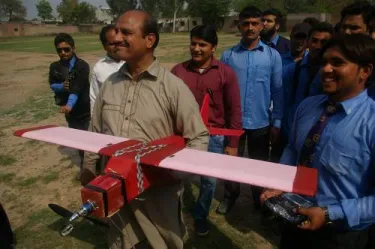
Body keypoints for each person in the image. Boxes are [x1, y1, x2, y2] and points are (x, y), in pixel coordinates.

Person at [81, 10, 209, 249]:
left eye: (126, 32)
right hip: (116, 195)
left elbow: (199, 137)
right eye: (116, 31)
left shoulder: (173, 88)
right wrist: (89, 169)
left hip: (158, 199)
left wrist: (173, 175)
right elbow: (94, 133)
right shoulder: (109, 84)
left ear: (149, 40)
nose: (116, 38)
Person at [261, 33, 375, 249]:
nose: (326, 70)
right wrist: (280, 183)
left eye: (337, 63)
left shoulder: (371, 122)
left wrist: (329, 213)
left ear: (365, 71)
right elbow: (293, 150)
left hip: (342, 236)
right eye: (325, 62)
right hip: (295, 219)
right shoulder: (307, 107)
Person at [171, 25, 242, 236]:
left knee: (209, 181)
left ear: (213, 48)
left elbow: (234, 109)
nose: (197, 48)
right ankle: (174, 215)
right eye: (193, 43)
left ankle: (200, 216)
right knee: (176, 177)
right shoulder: (178, 71)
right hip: (182, 134)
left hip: (214, 136)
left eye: (203, 44)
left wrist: (233, 144)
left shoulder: (225, 73)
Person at [218, 6, 283, 214]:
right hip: (233, 124)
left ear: (262, 25)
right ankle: (230, 195)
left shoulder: (272, 56)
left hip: (261, 121)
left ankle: (259, 199)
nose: (250, 28)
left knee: (259, 164)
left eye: (255, 23)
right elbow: (220, 92)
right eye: (246, 23)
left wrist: (277, 122)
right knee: (230, 163)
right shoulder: (228, 56)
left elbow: (277, 91)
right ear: (239, 25)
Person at [280, 22, 334, 148]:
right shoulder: (292, 70)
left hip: (319, 136)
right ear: (308, 42)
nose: (318, 46)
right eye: (314, 41)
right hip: (290, 132)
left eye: (324, 42)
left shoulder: (333, 75)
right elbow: (285, 102)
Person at [48, 33, 90, 177]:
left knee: (91, 139)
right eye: (59, 50)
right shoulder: (54, 66)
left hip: (85, 110)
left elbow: (77, 88)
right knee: (79, 140)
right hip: (70, 113)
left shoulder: (82, 66)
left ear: (73, 48)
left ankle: (95, 168)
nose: (63, 53)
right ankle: (85, 168)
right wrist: (62, 87)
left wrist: (70, 104)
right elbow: (52, 85)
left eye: (66, 49)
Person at [90, 24, 125, 114]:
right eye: (112, 44)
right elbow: (95, 98)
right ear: (104, 46)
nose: (117, 46)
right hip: (110, 118)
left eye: (119, 42)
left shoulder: (133, 62)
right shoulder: (99, 68)